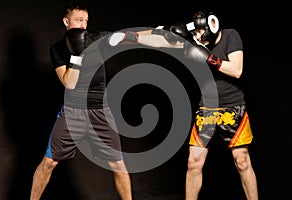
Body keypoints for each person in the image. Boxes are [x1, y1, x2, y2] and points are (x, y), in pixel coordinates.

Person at [108, 10, 258, 200]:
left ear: (211, 27)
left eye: (199, 32)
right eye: (194, 33)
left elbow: (237, 70)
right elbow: (162, 39)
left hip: (233, 107)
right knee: (194, 162)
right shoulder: (194, 44)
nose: (196, 37)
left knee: (242, 162)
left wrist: (209, 58)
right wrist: (130, 36)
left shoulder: (230, 35)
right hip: (207, 110)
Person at [30, 2, 132, 200]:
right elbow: (69, 82)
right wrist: (77, 55)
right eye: (78, 20)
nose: (83, 25)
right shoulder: (58, 49)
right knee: (49, 163)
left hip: (100, 111)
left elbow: (129, 37)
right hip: (73, 111)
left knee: (118, 165)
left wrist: (162, 33)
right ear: (66, 22)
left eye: (86, 21)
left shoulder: (98, 39)